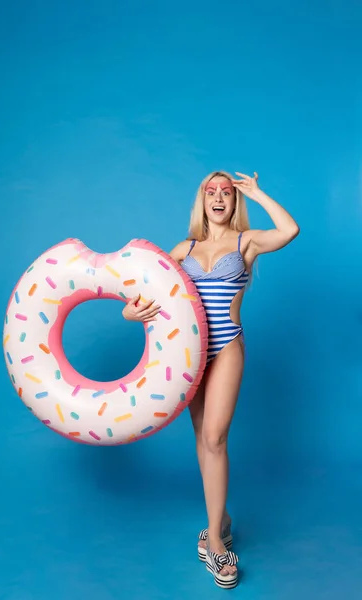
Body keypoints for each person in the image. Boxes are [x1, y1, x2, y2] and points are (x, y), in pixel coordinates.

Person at [122, 171, 300, 588]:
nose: (219, 197)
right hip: (189, 355)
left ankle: (215, 543)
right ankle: (218, 520)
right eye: (211, 191)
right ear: (201, 201)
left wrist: (256, 193)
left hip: (227, 349)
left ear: (233, 201)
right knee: (203, 438)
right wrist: (131, 313)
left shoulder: (247, 241)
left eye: (226, 192)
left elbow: (290, 230)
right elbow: (147, 292)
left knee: (216, 438)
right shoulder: (183, 248)